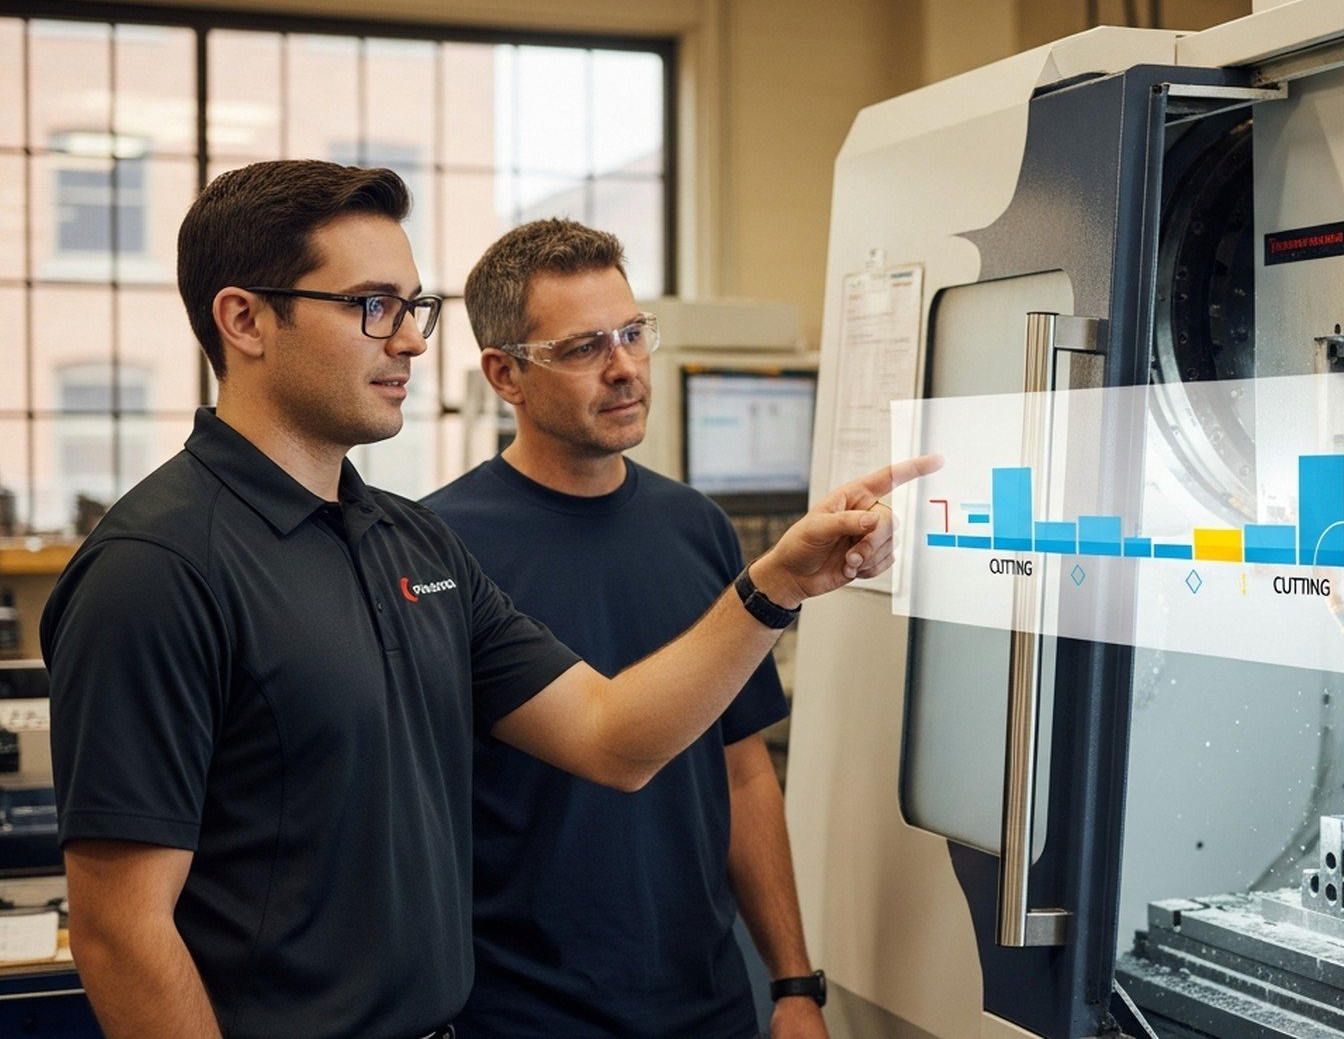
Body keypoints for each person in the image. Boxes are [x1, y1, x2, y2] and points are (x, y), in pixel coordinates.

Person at [40, 161, 933, 1039]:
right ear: (244, 320)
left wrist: (777, 583)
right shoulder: (155, 569)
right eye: (373, 306)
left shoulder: (411, 543)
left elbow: (612, 737)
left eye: (414, 307)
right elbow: (121, 930)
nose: (413, 342)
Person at [424, 219, 822, 1037]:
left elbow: (743, 772)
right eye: (581, 349)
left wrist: (791, 984)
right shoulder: (436, 549)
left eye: (633, 334)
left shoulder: (698, 529)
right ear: (505, 375)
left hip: (706, 1003)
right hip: (523, 1014)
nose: (624, 369)